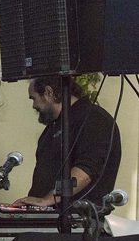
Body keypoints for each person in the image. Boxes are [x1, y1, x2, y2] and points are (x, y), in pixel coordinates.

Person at [12, 76, 121, 208]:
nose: (34, 105)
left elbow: (85, 172)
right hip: (49, 218)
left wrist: (49, 199)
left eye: (33, 98)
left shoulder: (94, 119)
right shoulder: (54, 126)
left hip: (77, 221)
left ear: (48, 92)